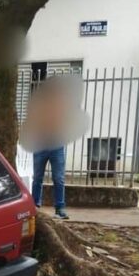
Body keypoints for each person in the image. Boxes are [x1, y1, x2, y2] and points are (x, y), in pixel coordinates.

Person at [20, 75, 88, 220]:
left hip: (57, 145)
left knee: (59, 178)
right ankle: (35, 205)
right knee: (37, 178)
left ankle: (60, 208)